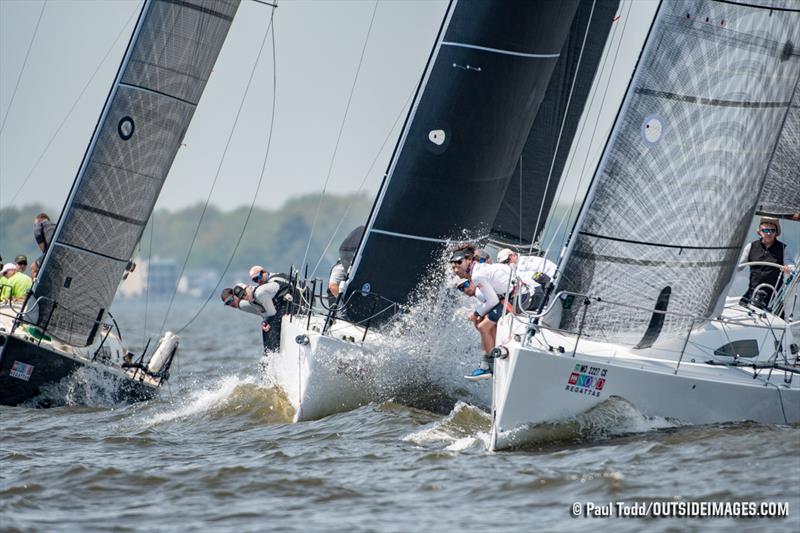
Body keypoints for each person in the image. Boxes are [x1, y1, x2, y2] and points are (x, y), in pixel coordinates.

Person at [450, 247, 513, 381]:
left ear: (468, 260)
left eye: (464, 286)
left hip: (518, 297)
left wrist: (475, 313)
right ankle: (489, 362)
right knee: (485, 324)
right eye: (453, 267)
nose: (464, 291)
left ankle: (489, 367)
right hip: (513, 296)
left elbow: (493, 301)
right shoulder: (478, 270)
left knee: (483, 326)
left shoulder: (477, 276)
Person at [739, 217, 795, 309]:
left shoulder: (784, 248)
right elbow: (738, 267)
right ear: (760, 232)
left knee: (778, 321)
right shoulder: (750, 246)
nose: (769, 233)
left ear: (776, 233)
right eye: (765, 230)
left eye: (772, 230)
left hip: (774, 297)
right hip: (752, 293)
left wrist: (789, 269)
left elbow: (791, 265)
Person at [31, 213, 56, 280]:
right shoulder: (55, 226)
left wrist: (44, 250)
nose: (35, 225)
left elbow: (37, 233)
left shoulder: (40, 225)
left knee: (33, 267)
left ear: (39, 221)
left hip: (53, 252)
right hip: (62, 254)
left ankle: (34, 288)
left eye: (35, 224)